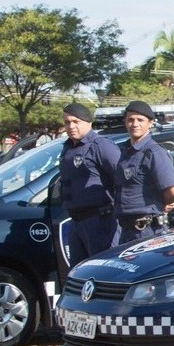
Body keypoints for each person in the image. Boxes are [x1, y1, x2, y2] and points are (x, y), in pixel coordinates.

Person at [59, 103, 121, 264]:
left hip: (100, 221)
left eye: (75, 121)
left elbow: (122, 180)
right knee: (80, 272)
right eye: (67, 122)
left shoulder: (101, 146)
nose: (71, 126)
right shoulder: (67, 148)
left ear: (88, 122)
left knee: (103, 269)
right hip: (76, 222)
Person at [114, 100, 174, 244]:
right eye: (130, 120)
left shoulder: (154, 152)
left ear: (150, 123)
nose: (135, 124)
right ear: (125, 122)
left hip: (147, 229)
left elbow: (173, 192)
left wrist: (161, 203)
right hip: (127, 230)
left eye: (140, 120)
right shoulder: (125, 152)